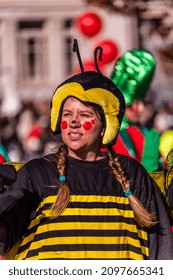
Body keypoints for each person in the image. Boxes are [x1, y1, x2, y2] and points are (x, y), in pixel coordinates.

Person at [0, 39, 173, 260]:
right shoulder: (36, 174)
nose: (73, 122)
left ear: (105, 126)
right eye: (67, 115)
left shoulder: (133, 174)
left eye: (85, 115)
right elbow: (5, 240)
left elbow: (162, 248)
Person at [111, 50, 162, 172]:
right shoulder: (109, 139)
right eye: (133, 104)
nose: (141, 109)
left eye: (142, 101)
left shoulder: (143, 133)